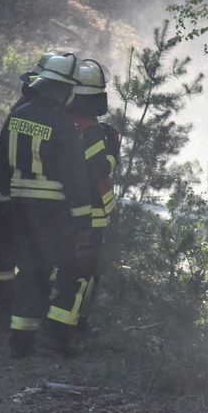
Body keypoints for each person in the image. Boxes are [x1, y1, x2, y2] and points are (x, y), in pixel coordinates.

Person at [0, 53, 95, 358]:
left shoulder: (17, 116)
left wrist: (7, 204)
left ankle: (20, 341)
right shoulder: (63, 125)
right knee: (71, 269)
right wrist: (83, 225)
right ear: (65, 90)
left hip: (20, 209)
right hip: (54, 212)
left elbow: (2, 168)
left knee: (31, 272)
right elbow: (75, 178)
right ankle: (58, 337)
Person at [0, 52, 58, 328]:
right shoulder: (40, 114)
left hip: (5, 193)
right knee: (33, 257)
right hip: (17, 197)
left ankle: (3, 316)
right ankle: (28, 317)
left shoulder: (22, 108)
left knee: (5, 255)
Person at [64, 59, 119, 335]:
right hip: (92, 216)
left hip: (65, 211)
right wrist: (113, 153)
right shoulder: (93, 131)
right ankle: (76, 324)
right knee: (85, 273)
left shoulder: (64, 124)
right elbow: (99, 171)